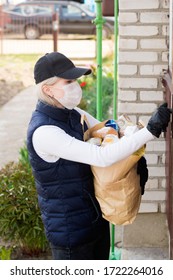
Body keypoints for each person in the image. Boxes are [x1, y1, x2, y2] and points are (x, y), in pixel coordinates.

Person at [27, 52, 172, 260]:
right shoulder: (45, 132)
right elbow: (101, 156)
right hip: (71, 235)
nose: (75, 86)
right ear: (47, 89)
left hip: (95, 220)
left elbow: (111, 132)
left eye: (76, 80)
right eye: (68, 81)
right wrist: (148, 132)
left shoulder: (73, 113)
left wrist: (133, 153)